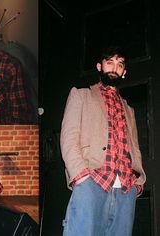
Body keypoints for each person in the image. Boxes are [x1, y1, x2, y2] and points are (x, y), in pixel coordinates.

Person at [60, 45, 146, 236]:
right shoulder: (81, 95)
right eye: (110, 62)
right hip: (92, 181)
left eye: (120, 64)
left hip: (126, 187)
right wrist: (80, 175)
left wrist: (137, 182)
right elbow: (68, 137)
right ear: (100, 67)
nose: (115, 68)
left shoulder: (129, 109)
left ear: (124, 71)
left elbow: (134, 148)